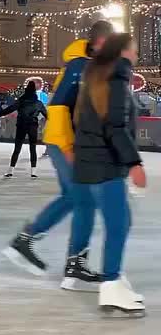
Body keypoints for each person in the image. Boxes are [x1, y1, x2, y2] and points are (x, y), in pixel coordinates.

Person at [4, 19, 113, 275]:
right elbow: (59, 106)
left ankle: (29, 239)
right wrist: (67, 147)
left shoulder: (90, 66)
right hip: (64, 142)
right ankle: (72, 260)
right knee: (84, 200)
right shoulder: (80, 66)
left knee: (73, 197)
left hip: (69, 142)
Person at [66, 34, 145, 316]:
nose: (137, 55)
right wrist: (134, 163)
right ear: (124, 52)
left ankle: (114, 278)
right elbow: (116, 127)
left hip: (95, 161)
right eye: (134, 50)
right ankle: (111, 284)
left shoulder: (99, 77)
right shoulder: (116, 81)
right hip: (105, 163)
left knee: (121, 222)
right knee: (118, 223)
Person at [0, 82, 48, 178]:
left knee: (17, 148)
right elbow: (47, 115)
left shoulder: (21, 101)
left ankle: (10, 170)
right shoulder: (39, 103)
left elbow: (10, 109)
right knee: (32, 148)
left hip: (21, 125)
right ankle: (33, 171)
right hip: (33, 126)